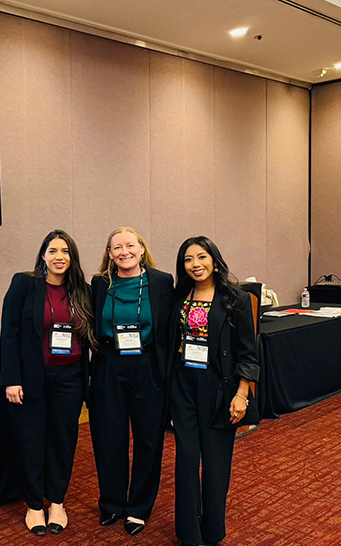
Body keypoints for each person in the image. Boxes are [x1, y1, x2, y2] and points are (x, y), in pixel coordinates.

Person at [0, 229, 95, 536]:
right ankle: (33, 505)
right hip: (32, 377)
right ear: (43, 255)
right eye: (53, 251)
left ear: (72, 257)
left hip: (70, 379)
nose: (59, 257)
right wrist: (11, 379)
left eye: (65, 251)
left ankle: (56, 501)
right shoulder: (24, 284)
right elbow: (9, 332)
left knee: (63, 441)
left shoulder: (82, 290)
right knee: (31, 441)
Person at [168, 236, 259, 546]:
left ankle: (212, 531)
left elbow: (248, 353)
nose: (195, 264)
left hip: (220, 389)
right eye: (188, 259)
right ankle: (189, 534)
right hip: (183, 387)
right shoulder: (179, 297)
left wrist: (241, 394)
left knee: (216, 463)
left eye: (202, 257)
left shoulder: (236, 299)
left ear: (215, 261)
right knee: (186, 460)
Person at [88, 227, 174, 536]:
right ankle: (112, 503)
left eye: (130, 245)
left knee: (148, 439)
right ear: (109, 254)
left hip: (147, 365)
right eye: (117, 247)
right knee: (108, 437)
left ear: (141, 248)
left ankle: (139, 508)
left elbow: (169, 329)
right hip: (109, 365)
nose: (124, 252)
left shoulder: (162, 282)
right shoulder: (100, 284)